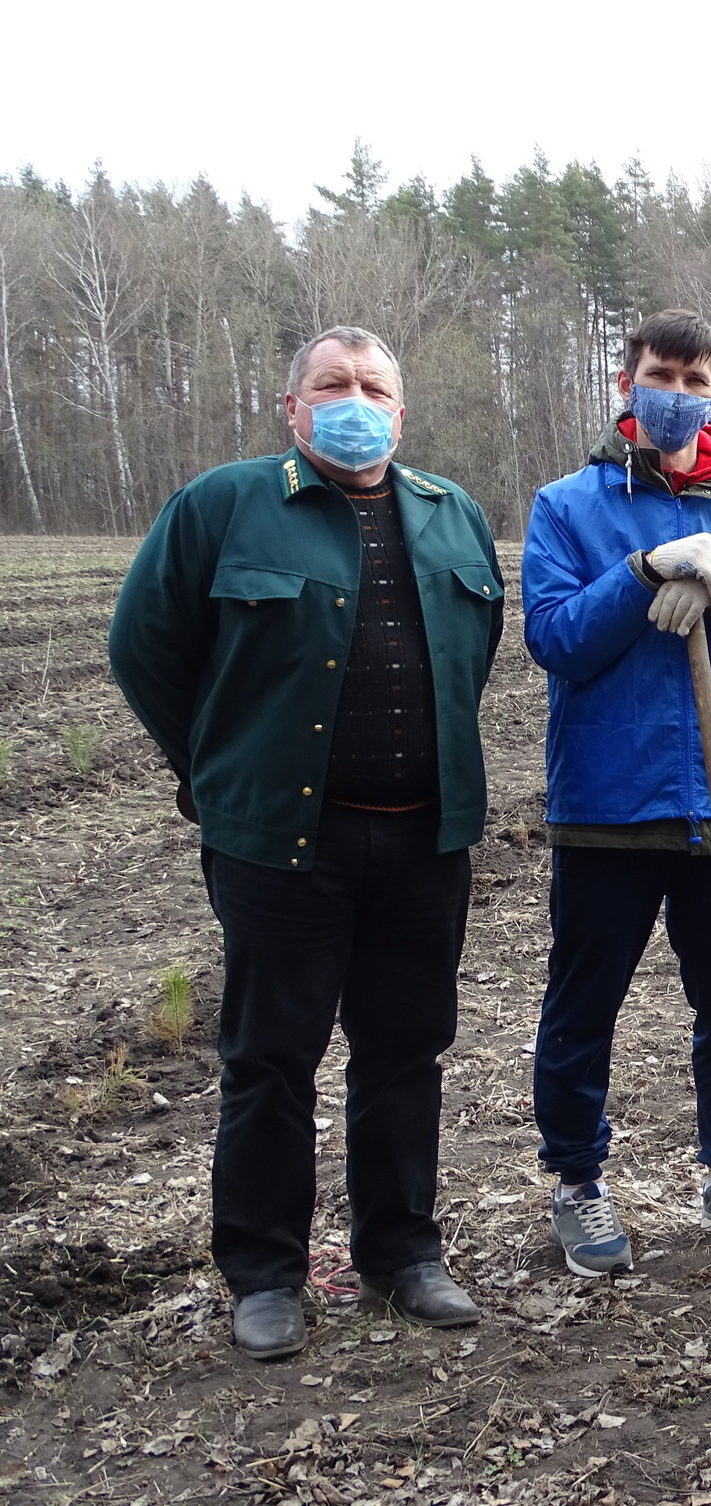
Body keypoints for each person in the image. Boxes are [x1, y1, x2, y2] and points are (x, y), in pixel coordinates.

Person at [109, 326, 502, 1358]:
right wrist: (213, 767)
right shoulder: (223, 506)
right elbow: (143, 644)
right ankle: (265, 1273)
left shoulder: (448, 513)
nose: (354, 399)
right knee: (270, 1058)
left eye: (374, 386)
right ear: (293, 406)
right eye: (332, 383)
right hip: (284, 845)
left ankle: (402, 1253)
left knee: (405, 1049)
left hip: (424, 841)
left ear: (402, 412)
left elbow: (475, 651)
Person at [523, 309, 711, 1275]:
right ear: (626, 382)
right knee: (583, 1002)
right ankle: (577, 1181)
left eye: (694, 381)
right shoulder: (567, 506)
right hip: (607, 804)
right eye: (660, 375)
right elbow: (556, 640)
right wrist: (642, 569)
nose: (676, 394)